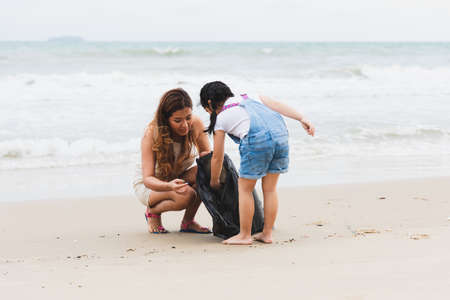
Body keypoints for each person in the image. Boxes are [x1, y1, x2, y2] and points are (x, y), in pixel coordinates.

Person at [200, 81, 315, 245]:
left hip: (258, 141)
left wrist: (214, 180)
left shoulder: (221, 118)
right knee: (270, 189)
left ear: (209, 104)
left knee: (245, 188)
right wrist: (301, 118)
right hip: (281, 137)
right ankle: (267, 233)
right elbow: (277, 105)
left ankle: (245, 235)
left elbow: (217, 157)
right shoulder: (251, 96)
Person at [133, 88, 211, 234]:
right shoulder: (152, 133)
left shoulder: (195, 125)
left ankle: (188, 222)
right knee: (187, 195)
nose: (185, 125)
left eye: (188, 117)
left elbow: (207, 158)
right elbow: (148, 178)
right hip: (150, 186)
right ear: (165, 119)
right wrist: (169, 186)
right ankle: (153, 212)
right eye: (177, 120)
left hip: (175, 179)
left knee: (207, 169)